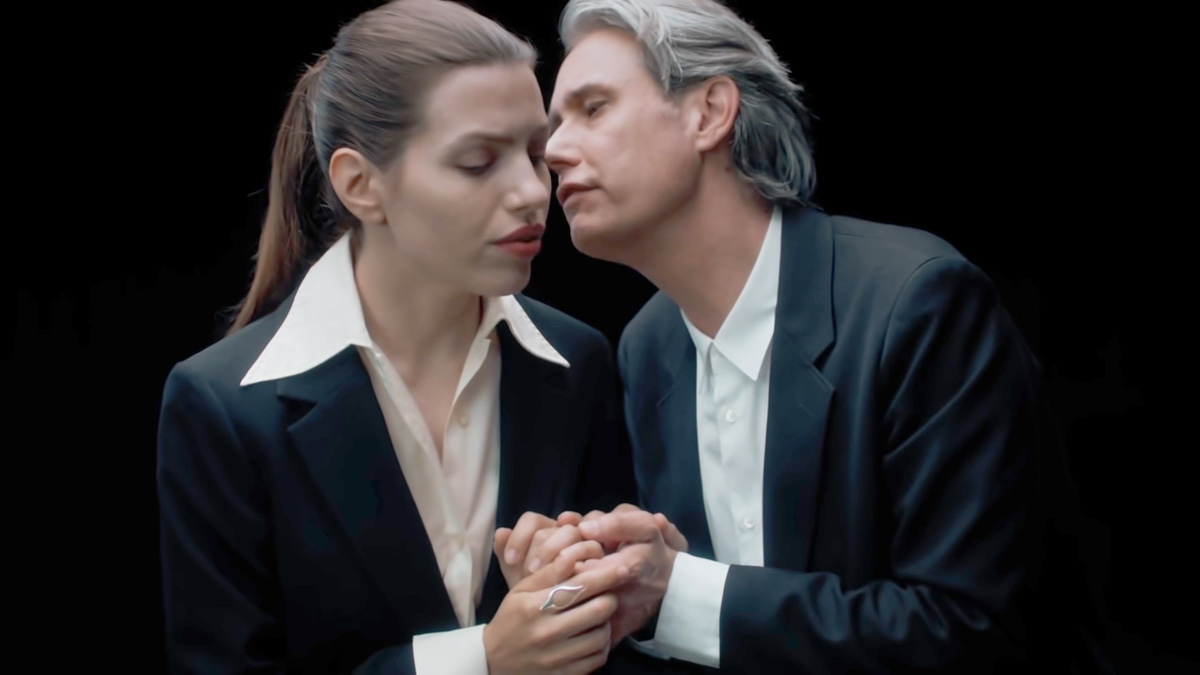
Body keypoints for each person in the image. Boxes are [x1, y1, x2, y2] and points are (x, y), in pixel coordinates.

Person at [501, 0, 1110, 672]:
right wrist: (594, 581)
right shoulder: (645, 347)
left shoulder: (918, 303)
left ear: (710, 113)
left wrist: (676, 593)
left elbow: (973, 630)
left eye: (593, 108)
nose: (554, 152)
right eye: (556, 127)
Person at [155, 1, 638, 672]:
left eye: (535, 153)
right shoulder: (223, 406)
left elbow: (620, 645)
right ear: (360, 185)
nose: (532, 192)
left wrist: (595, 591)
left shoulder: (577, 361)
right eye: (478, 162)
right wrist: (483, 660)